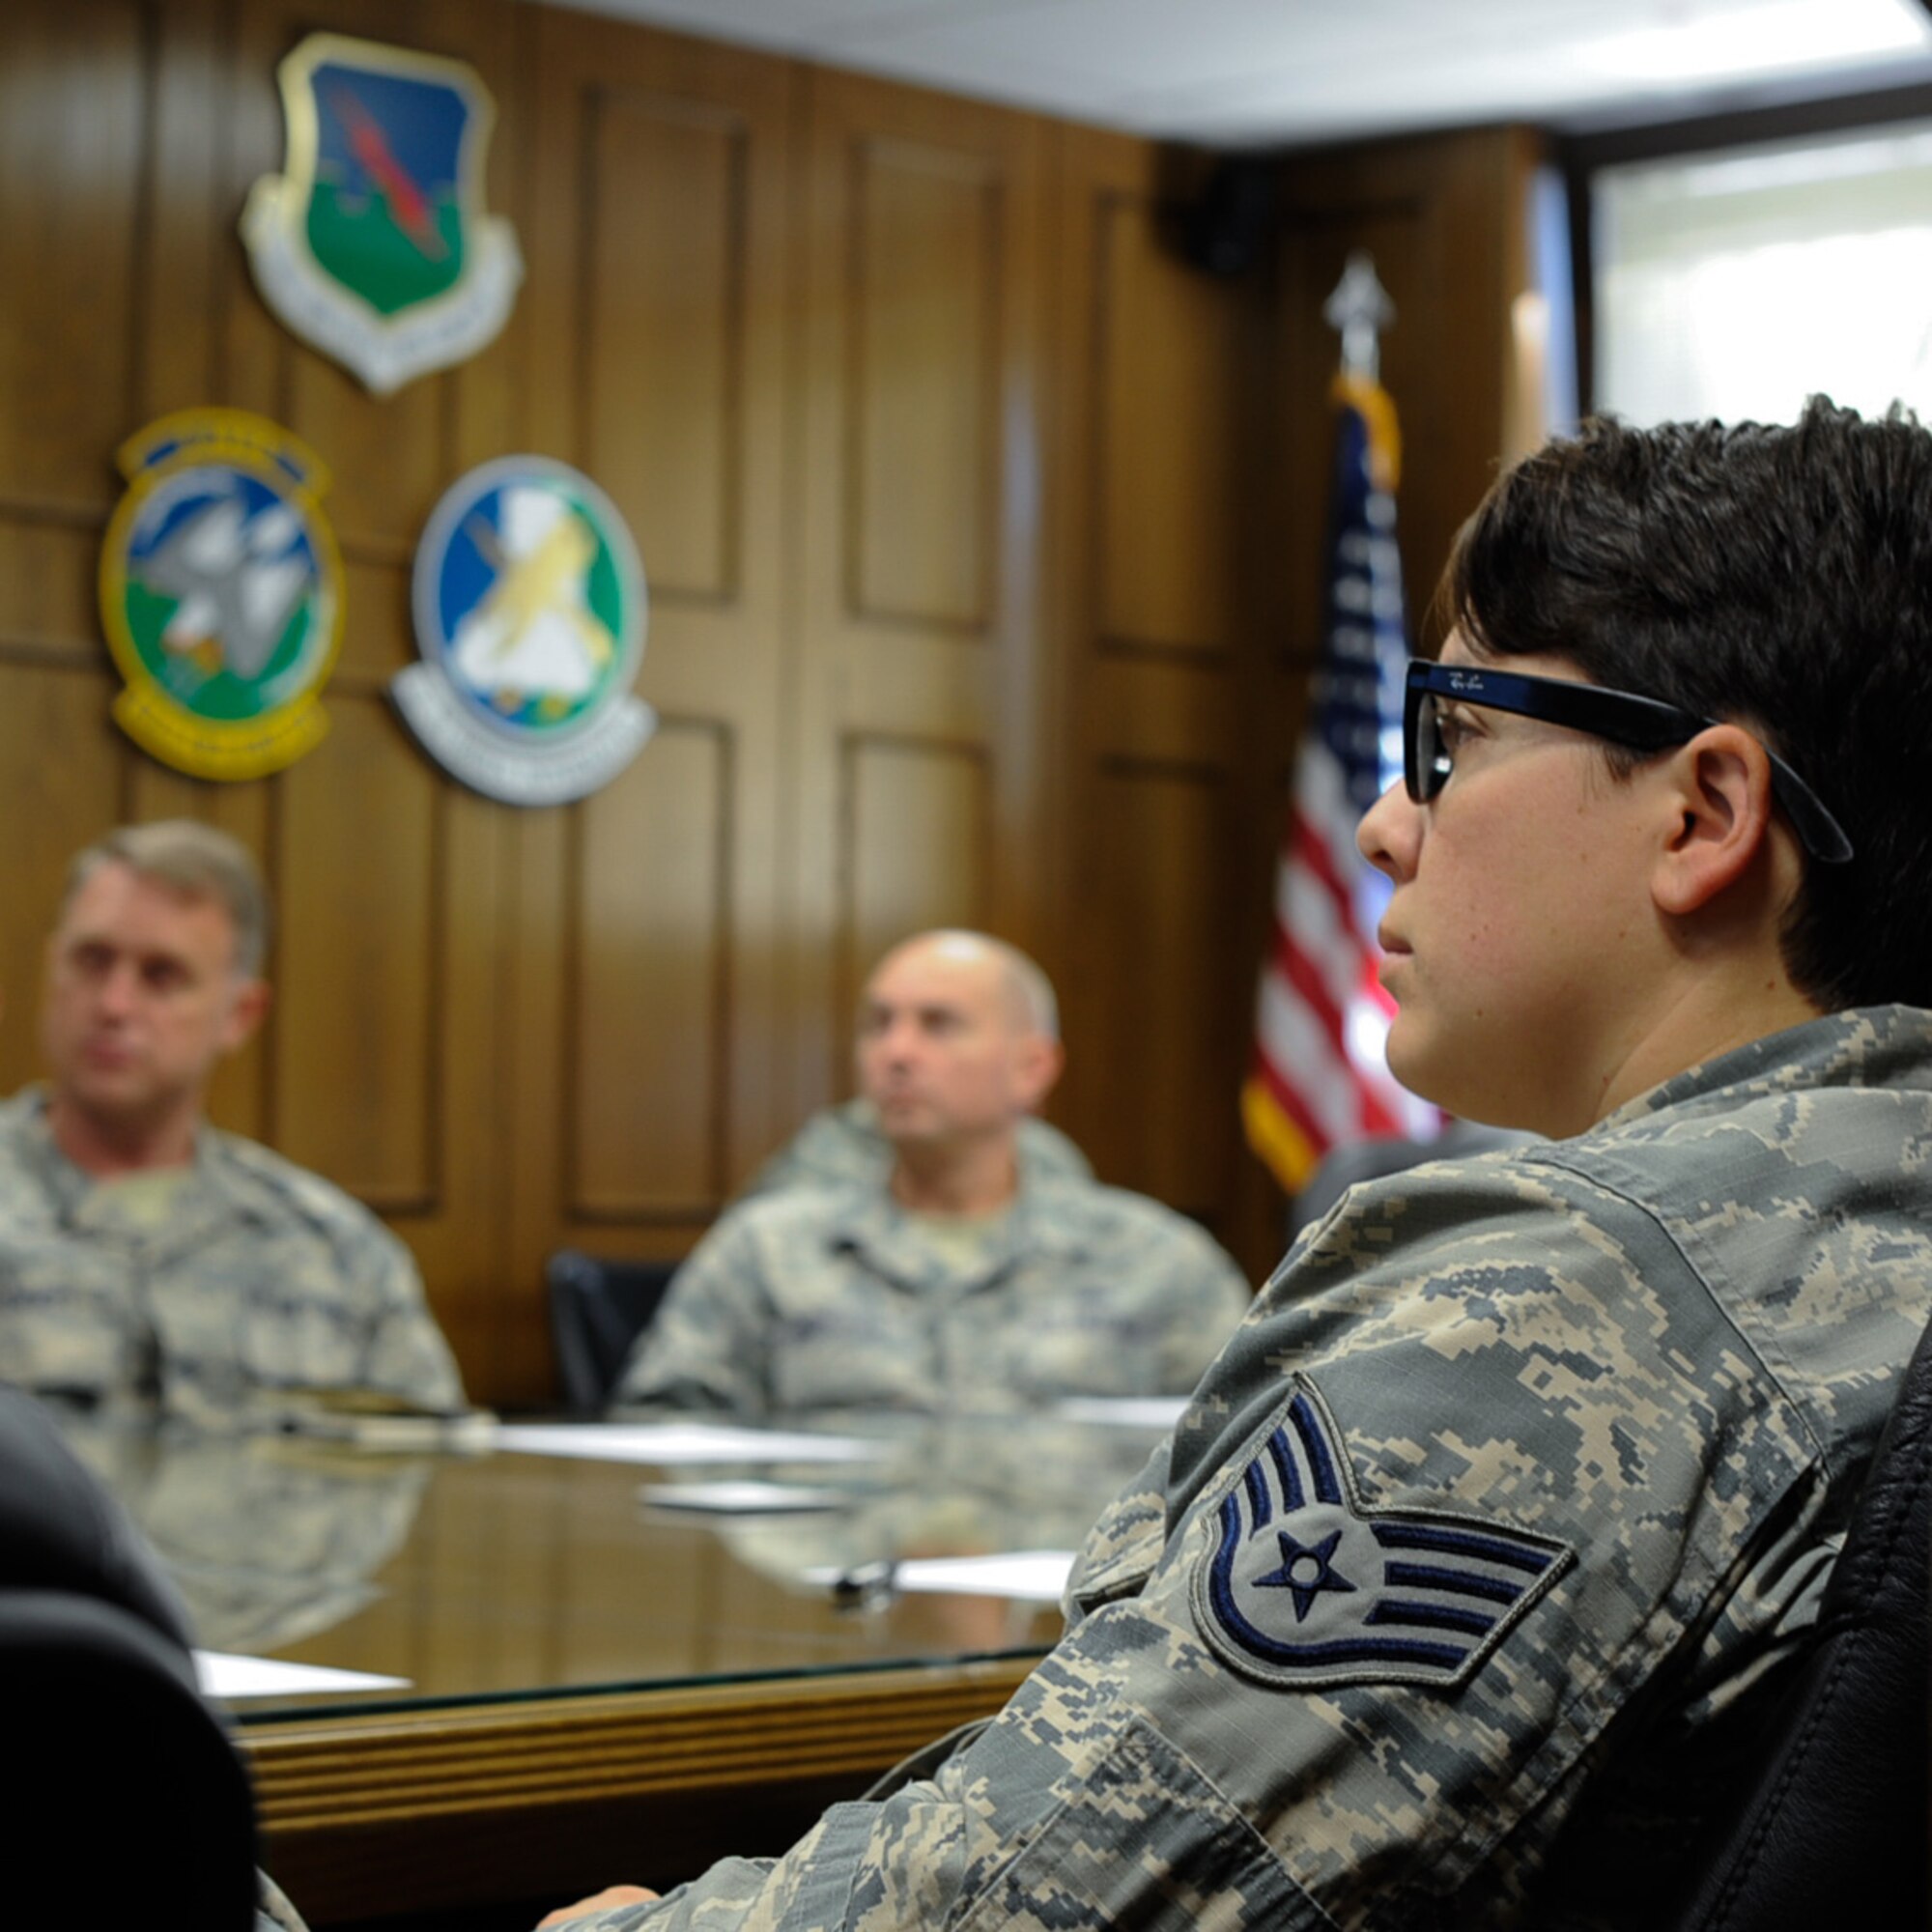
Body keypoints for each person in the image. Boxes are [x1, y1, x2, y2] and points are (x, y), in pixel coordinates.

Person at [547, 400, 1932, 1927]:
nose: (1389, 821)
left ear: (1705, 811)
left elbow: (1027, 1907)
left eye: (1456, 740)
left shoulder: (1573, 1306)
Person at [612, 929, 1250, 1417]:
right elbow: (660, 1429)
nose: (896, 1053)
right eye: (878, 1024)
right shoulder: (767, 1252)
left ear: (1031, 1068)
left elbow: (1245, 1454)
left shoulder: (1158, 1265)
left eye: (938, 1025)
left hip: (1076, 1585)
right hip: (827, 1576)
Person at [0, 821, 464, 1425]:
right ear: (51, 972)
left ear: (240, 1014)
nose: (113, 1005)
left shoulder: (338, 1257)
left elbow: (427, 1480)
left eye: (161, 976)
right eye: (92, 961)